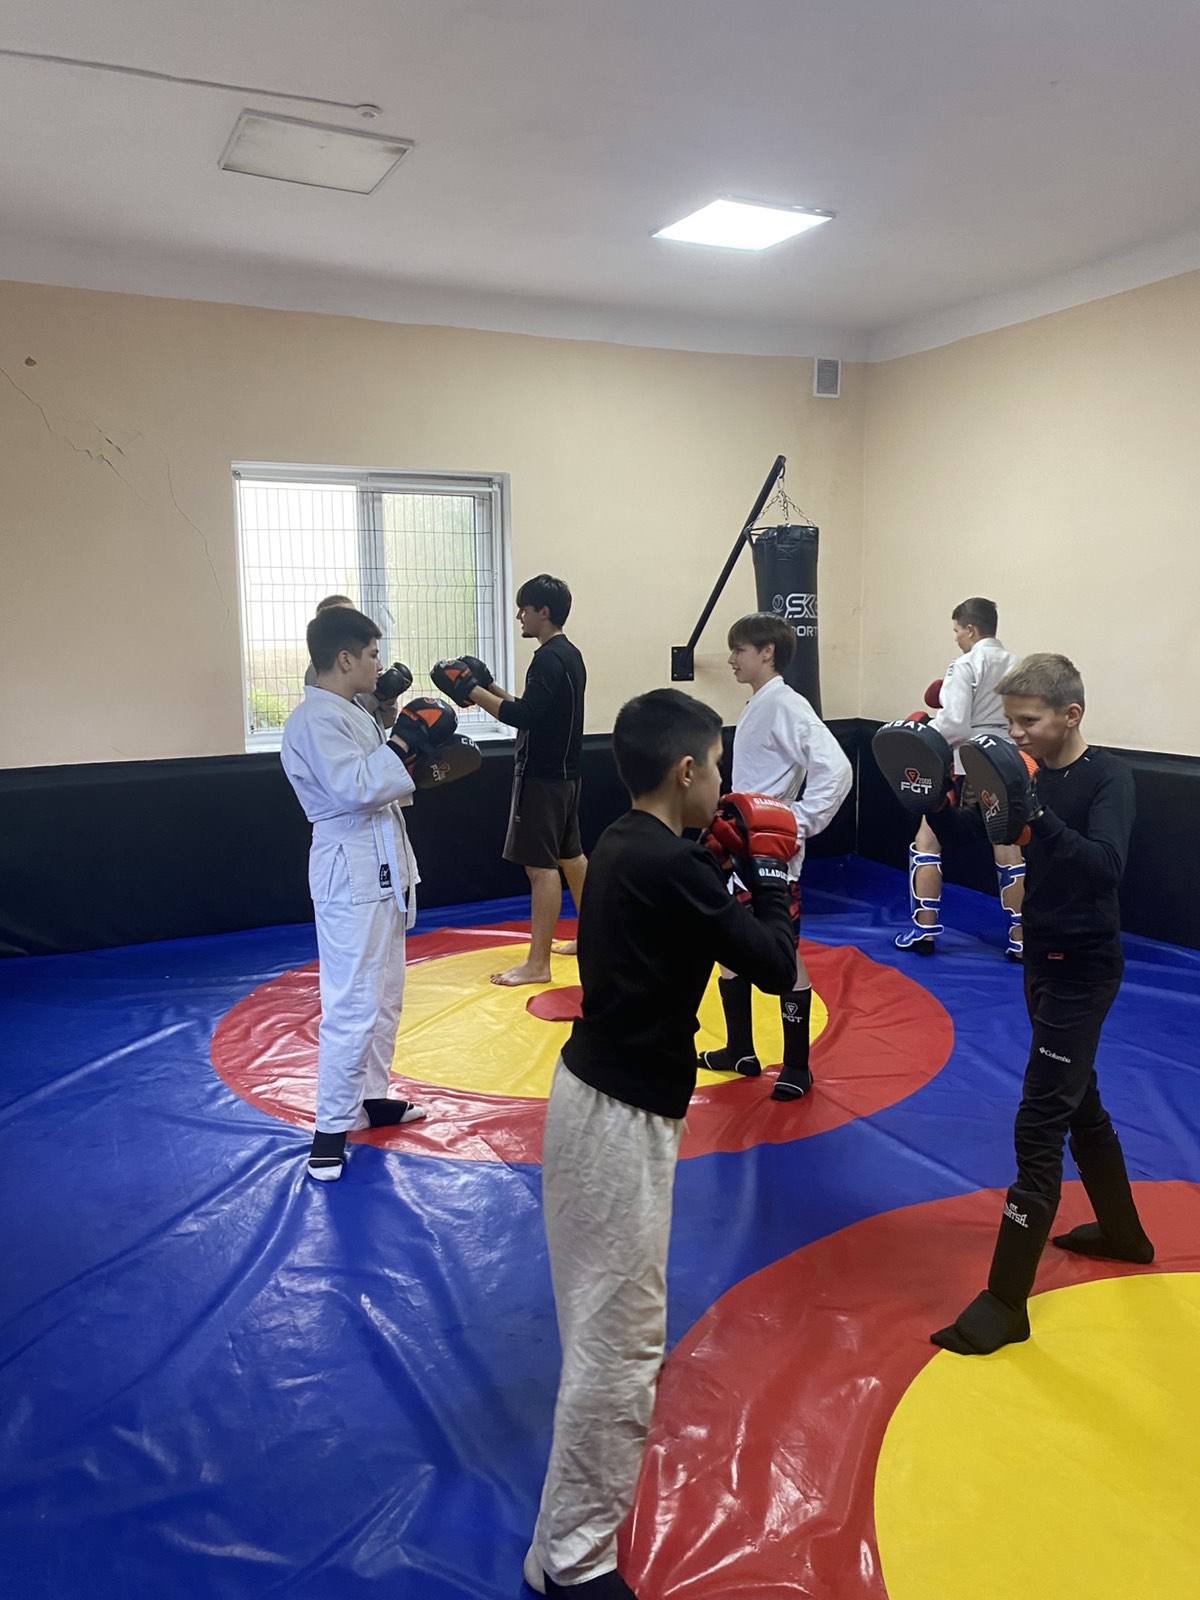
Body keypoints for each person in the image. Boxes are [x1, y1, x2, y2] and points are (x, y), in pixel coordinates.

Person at [523, 688, 799, 1598]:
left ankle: (562, 1544)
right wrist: (771, 880)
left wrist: (713, 863)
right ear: (686, 770)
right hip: (620, 1119)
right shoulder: (673, 866)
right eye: (716, 766)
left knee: (600, 1324)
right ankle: (574, 1563)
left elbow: (682, 905)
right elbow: (775, 964)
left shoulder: (623, 841)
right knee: (622, 1344)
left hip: (591, 1095)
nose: (722, 783)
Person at [920, 654, 1154, 1355]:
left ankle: (1005, 1301)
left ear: (1070, 715)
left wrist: (1037, 813)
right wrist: (937, 802)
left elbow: (1106, 866)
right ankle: (1123, 1233)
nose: (1016, 733)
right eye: (1011, 721)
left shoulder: (1108, 777)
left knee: (1040, 1118)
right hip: (1041, 957)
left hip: (1085, 965)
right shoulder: (1027, 775)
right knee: (1079, 1099)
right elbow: (989, 837)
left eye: (1028, 721)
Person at [280, 606, 458, 1181]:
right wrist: (403, 741)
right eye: (373, 655)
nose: (379, 665)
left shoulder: (352, 710)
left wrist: (415, 751)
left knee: (384, 996)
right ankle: (330, 1128)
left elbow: (387, 787)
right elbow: (355, 788)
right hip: (349, 870)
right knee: (352, 1003)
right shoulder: (313, 720)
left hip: (381, 862)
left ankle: (369, 1099)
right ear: (345, 658)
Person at [700, 612, 852, 1098]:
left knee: (783, 955)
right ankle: (739, 1049)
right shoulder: (761, 703)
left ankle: (798, 1067)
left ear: (767, 652)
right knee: (728, 944)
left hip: (770, 859)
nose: (731, 659)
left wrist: (795, 823)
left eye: (739, 650)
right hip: (739, 848)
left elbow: (837, 770)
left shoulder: (787, 704)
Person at [443, 575, 587, 986]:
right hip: (567, 775)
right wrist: (488, 685)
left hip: (541, 778)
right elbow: (535, 710)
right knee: (572, 858)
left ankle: (537, 964)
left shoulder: (546, 659)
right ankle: (593, 938)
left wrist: (471, 689)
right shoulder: (569, 654)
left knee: (541, 869)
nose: (519, 615)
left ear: (544, 611)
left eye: (525, 608)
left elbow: (521, 717)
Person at [895, 597, 1026, 960]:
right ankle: (1021, 938)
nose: (956, 638)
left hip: (969, 764)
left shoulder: (965, 665)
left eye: (956, 630)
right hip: (1009, 763)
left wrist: (923, 735)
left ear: (970, 628)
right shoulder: (1019, 666)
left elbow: (954, 725)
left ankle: (923, 929)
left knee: (927, 838)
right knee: (1009, 845)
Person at [303, 593, 407, 733]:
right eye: (344, 618)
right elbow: (344, 712)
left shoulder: (362, 659)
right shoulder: (319, 672)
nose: (354, 623)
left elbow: (384, 723)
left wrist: (389, 698)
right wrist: (377, 695)